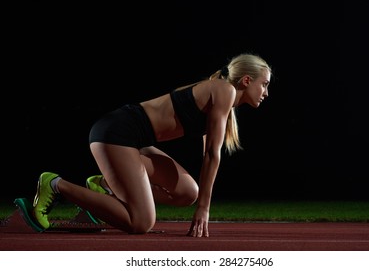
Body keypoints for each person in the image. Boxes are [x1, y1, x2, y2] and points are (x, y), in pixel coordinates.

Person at [32, 53, 272, 237]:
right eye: (264, 84)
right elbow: (211, 155)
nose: (266, 92)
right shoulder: (224, 90)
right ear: (247, 80)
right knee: (141, 223)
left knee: (188, 191)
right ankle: (55, 184)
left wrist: (199, 202)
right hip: (116, 133)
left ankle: (104, 186)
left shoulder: (223, 99)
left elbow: (208, 153)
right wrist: (204, 209)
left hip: (134, 142)